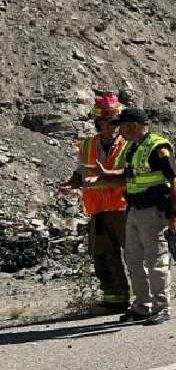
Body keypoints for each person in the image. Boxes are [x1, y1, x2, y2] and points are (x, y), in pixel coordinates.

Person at [96, 107, 176, 325]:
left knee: (156, 260)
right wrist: (105, 176)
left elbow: (174, 179)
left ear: (133, 125)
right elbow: (129, 176)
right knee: (133, 260)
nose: (119, 131)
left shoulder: (158, 146)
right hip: (134, 209)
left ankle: (162, 307)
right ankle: (143, 306)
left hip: (154, 212)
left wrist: (175, 213)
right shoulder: (133, 148)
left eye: (122, 126)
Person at [59, 95, 129, 316]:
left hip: (123, 208)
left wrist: (100, 180)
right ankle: (114, 300)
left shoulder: (130, 145)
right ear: (99, 123)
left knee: (136, 256)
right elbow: (80, 173)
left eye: (117, 122)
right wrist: (71, 184)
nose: (113, 127)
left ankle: (145, 300)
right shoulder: (88, 145)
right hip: (98, 211)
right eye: (109, 122)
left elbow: (131, 175)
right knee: (104, 258)